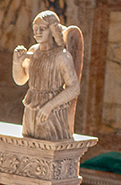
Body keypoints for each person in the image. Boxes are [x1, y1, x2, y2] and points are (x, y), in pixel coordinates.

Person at [13, 10, 82, 141]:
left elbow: (74, 88)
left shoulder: (62, 56)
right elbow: (20, 80)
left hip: (52, 111)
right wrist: (17, 62)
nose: (37, 32)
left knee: (47, 150)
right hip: (31, 107)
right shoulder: (33, 51)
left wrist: (49, 106)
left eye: (42, 29)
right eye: (35, 29)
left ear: (52, 30)